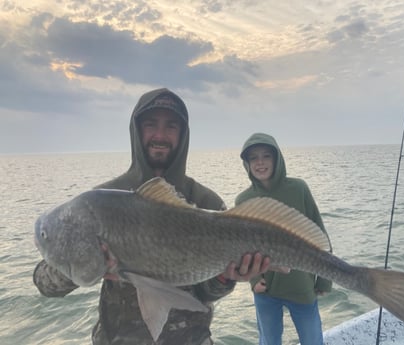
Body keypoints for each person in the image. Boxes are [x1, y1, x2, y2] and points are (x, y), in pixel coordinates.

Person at [33, 88, 270, 345]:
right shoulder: (102, 201)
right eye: (150, 124)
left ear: (183, 135)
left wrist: (227, 277)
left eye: (171, 126)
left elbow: (207, 292)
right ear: (137, 131)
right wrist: (84, 260)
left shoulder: (205, 202)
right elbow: (45, 285)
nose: (160, 135)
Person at [235, 133, 332, 345]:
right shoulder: (243, 200)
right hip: (266, 289)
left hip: (301, 285)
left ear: (277, 158)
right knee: (269, 341)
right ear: (247, 164)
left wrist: (324, 278)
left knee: (312, 339)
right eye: (253, 158)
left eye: (266, 156)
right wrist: (253, 281)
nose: (260, 163)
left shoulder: (299, 189)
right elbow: (241, 249)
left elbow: (319, 231)